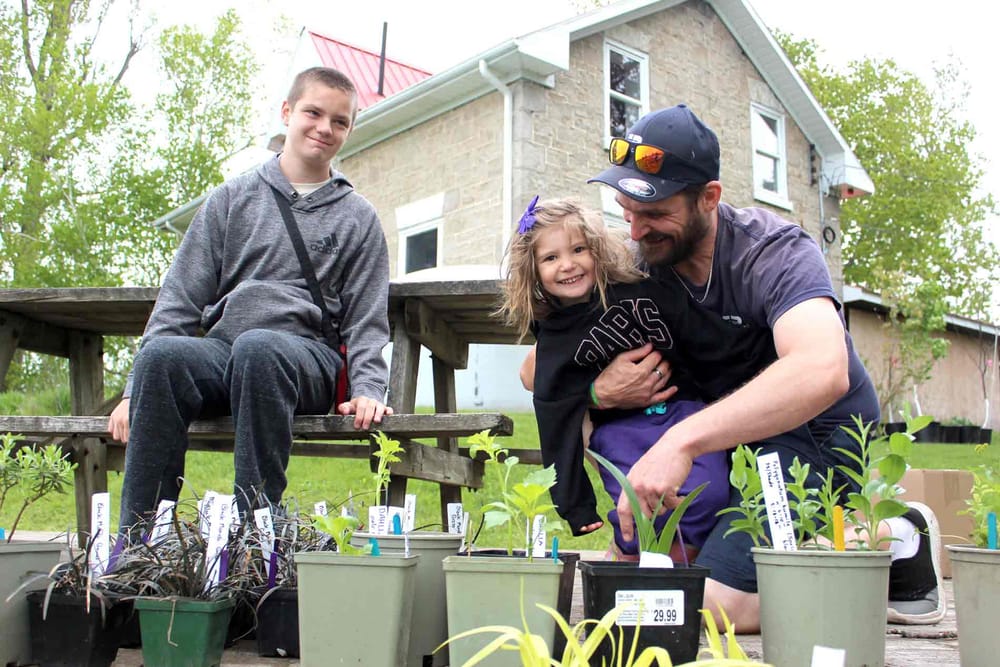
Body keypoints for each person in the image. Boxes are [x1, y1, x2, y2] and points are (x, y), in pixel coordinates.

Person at [580, 104, 945, 629]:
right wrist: (599, 392)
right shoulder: (643, 261)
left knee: (709, 604)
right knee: (669, 586)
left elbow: (823, 371)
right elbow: (537, 369)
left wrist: (679, 443)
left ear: (709, 198)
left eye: (654, 213)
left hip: (812, 436)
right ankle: (842, 549)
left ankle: (889, 534)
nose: (635, 231)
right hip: (734, 444)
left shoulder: (771, 252)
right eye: (626, 210)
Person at [108, 67, 392, 531]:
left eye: (339, 121)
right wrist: (132, 392)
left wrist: (367, 390)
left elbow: (366, 319)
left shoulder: (358, 217)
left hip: (306, 360)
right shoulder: (229, 200)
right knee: (161, 358)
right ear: (287, 112)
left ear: (349, 130)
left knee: (260, 348)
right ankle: (140, 540)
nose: (325, 128)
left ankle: (255, 534)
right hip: (227, 352)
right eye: (313, 112)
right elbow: (180, 298)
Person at [500, 196, 765, 559]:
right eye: (551, 258)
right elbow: (552, 408)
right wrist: (575, 507)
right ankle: (630, 559)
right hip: (619, 429)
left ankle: (678, 566)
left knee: (709, 493)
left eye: (578, 249)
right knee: (639, 503)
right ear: (534, 271)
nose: (568, 265)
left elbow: (698, 332)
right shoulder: (555, 335)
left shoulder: (637, 287)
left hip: (684, 410)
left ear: (596, 249)